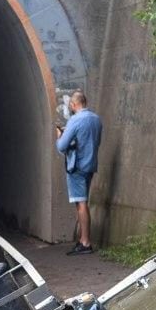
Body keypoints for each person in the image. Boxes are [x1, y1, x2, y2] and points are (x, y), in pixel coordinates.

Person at [54, 91, 102, 255]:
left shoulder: (75, 120)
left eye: (71, 106)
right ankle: (82, 240)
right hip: (90, 164)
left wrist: (60, 135)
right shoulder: (96, 119)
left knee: (81, 204)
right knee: (83, 202)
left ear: (74, 105)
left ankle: (85, 242)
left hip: (77, 166)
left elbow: (62, 146)